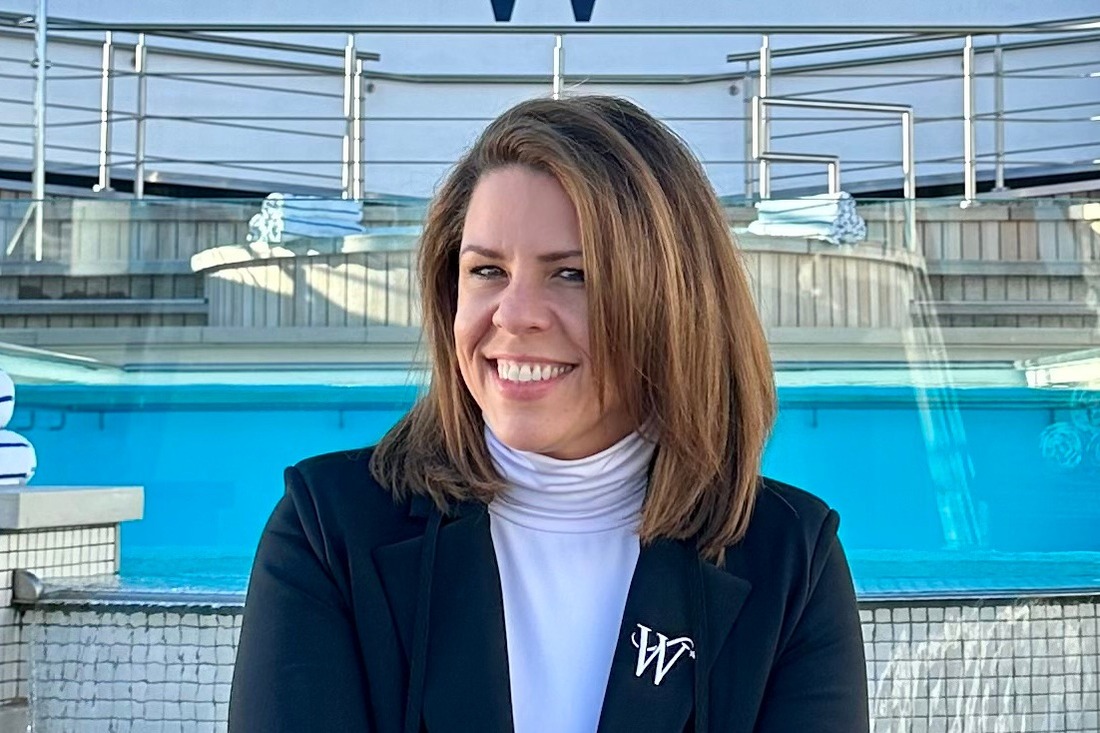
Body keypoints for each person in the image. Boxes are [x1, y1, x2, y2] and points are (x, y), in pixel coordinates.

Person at [228, 95, 869, 733]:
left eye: (572, 275)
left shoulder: (789, 559)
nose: (513, 314)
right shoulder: (329, 529)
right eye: (486, 271)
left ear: (672, 304)